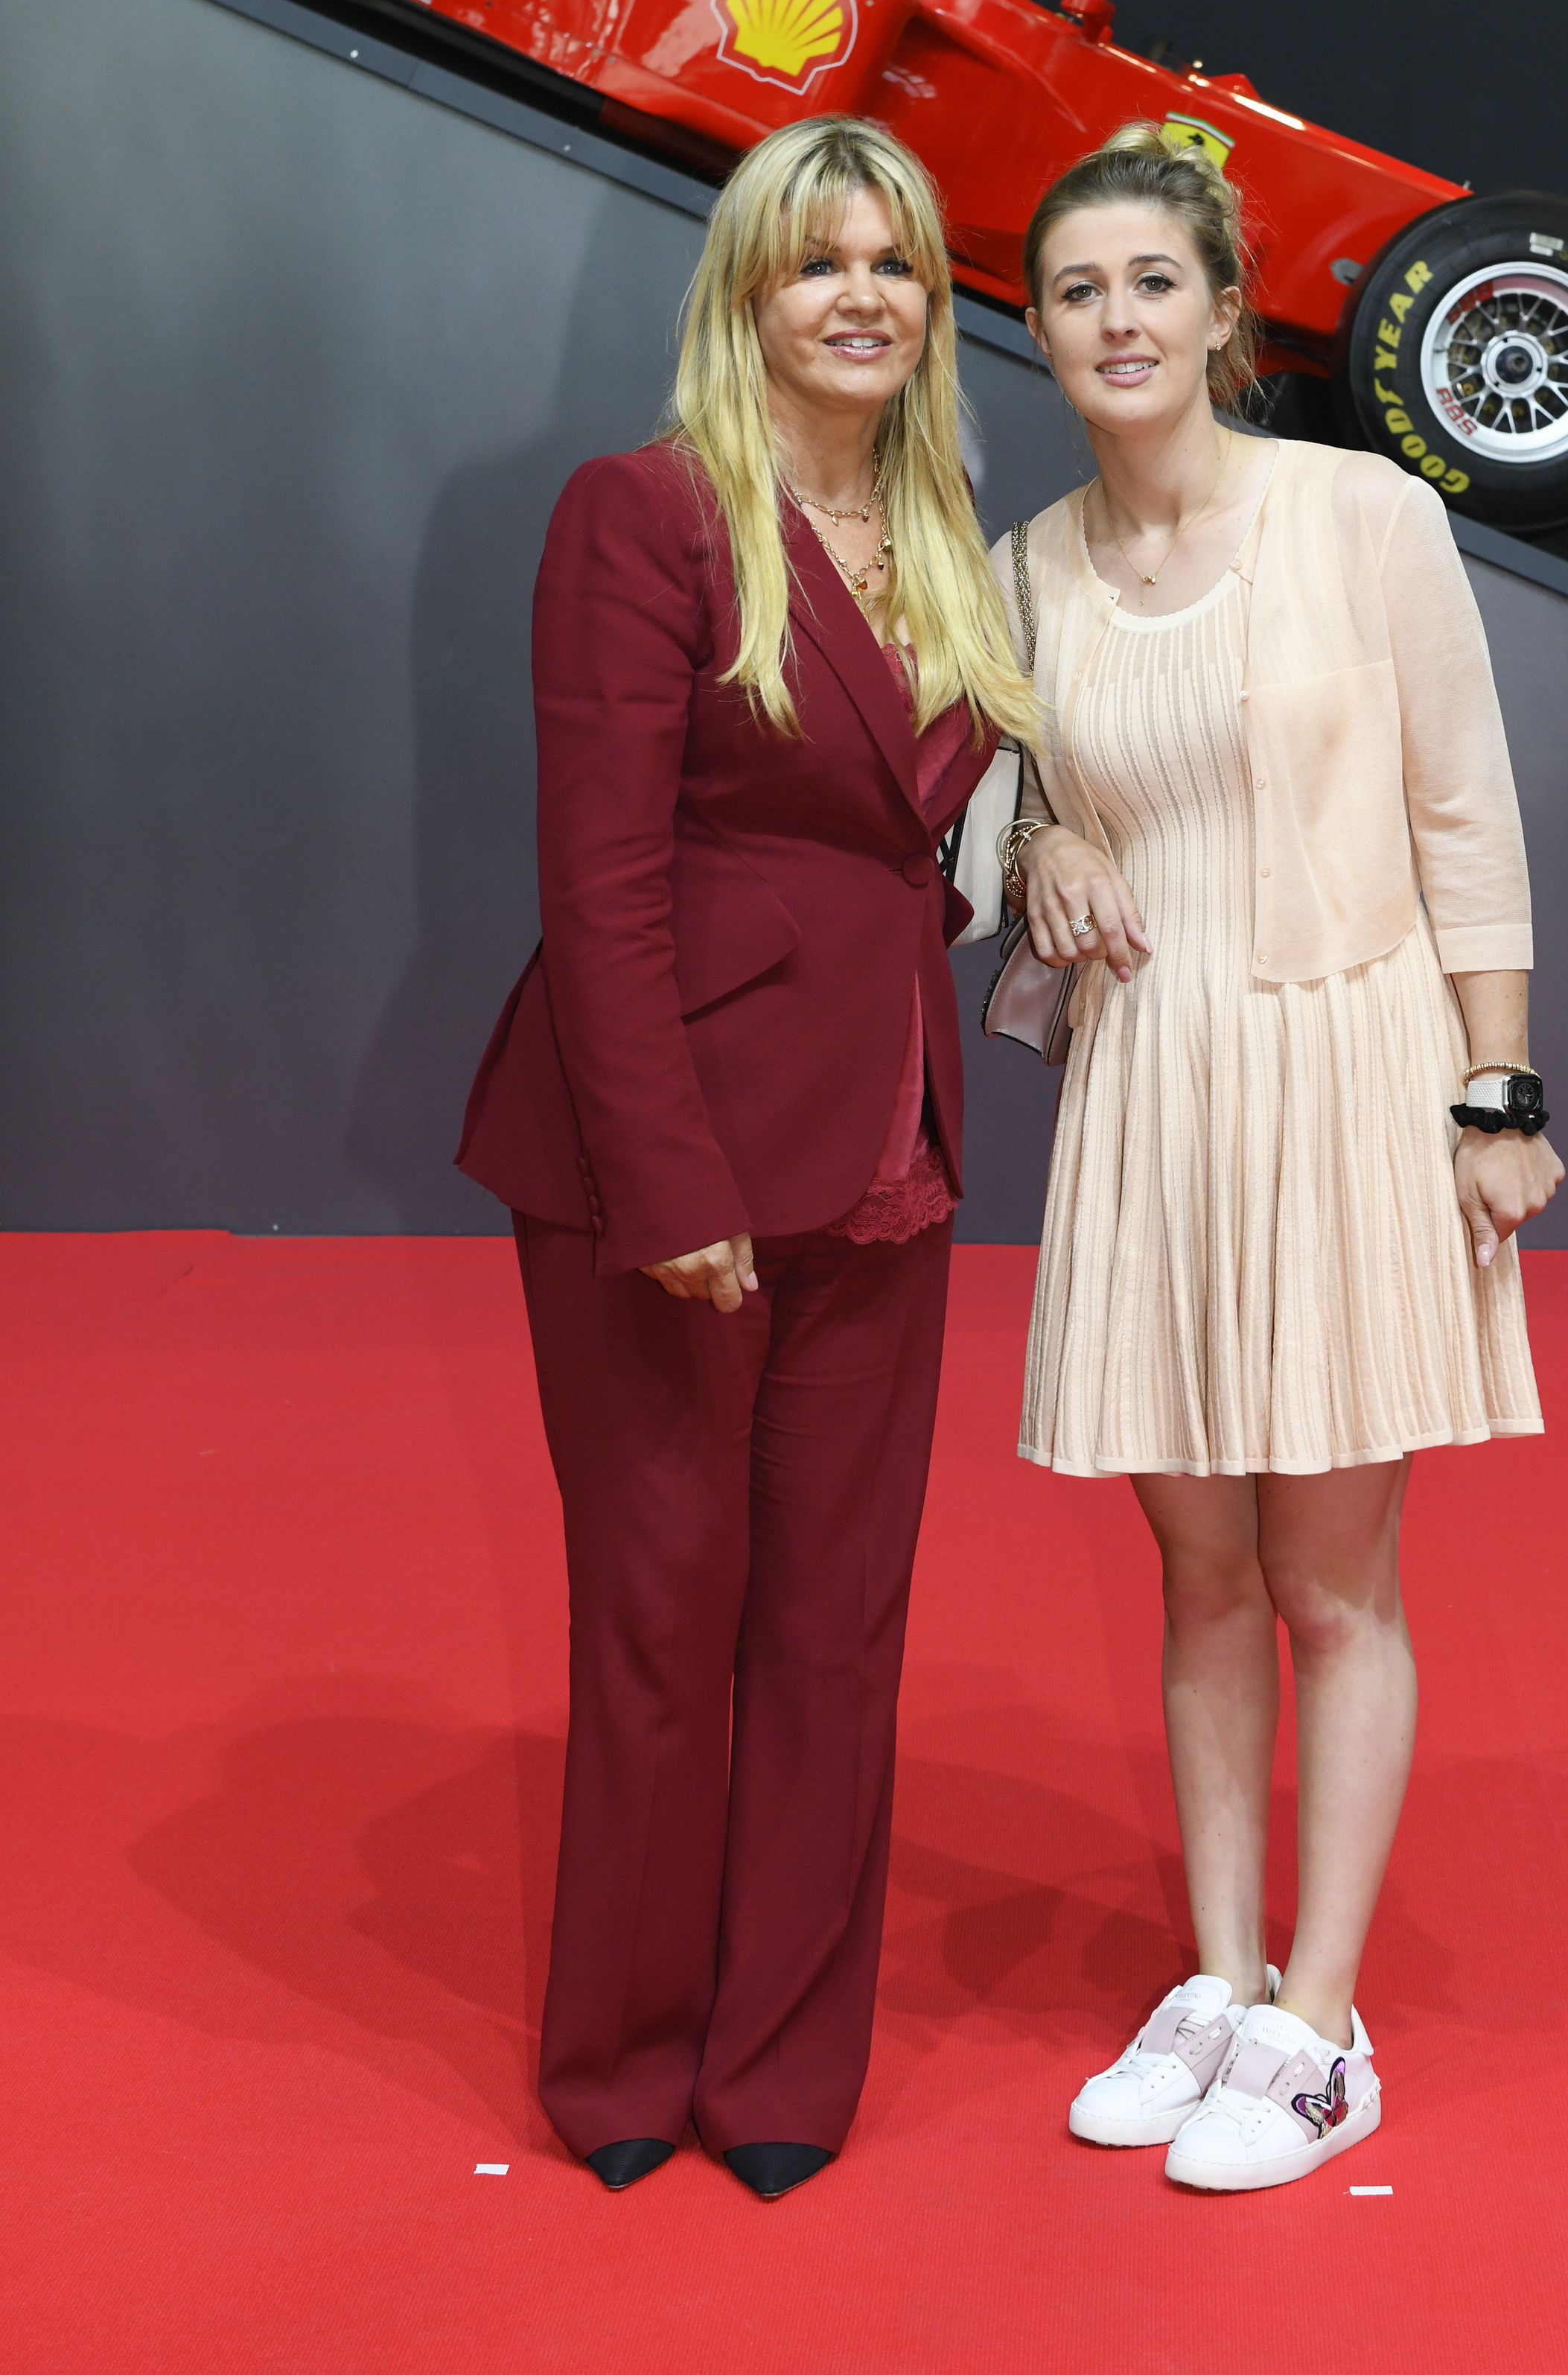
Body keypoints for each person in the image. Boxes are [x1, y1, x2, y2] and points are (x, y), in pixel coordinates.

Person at [456, 117, 1031, 2200]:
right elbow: (599, 886)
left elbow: (914, 835)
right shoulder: (647, 517)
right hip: (665, 1160)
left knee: (834, 1631)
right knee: (658, 1617)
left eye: (897, 264)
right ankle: (619, 2061)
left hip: (884, 1152)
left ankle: (782, 2065)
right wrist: (665, 1185)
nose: (862, 297)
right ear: (748, 297)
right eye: (819, 265)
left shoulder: (955, 530)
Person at [995, 124, 1563, 2194]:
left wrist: (1496, 1097)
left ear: (1221, 311)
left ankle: (1323, 2026)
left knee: (1333, 1579)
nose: (1116, 321)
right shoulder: (1030, 565)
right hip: (1148, 1096)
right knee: (1200, 1571)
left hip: (1344, 1074)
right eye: (1077, 293)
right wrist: (1038, 837)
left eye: (1150, 283)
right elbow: (995, 800)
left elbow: (1466, 817)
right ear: (1040, 331)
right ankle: (1221, 1983)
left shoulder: (1363, 515)